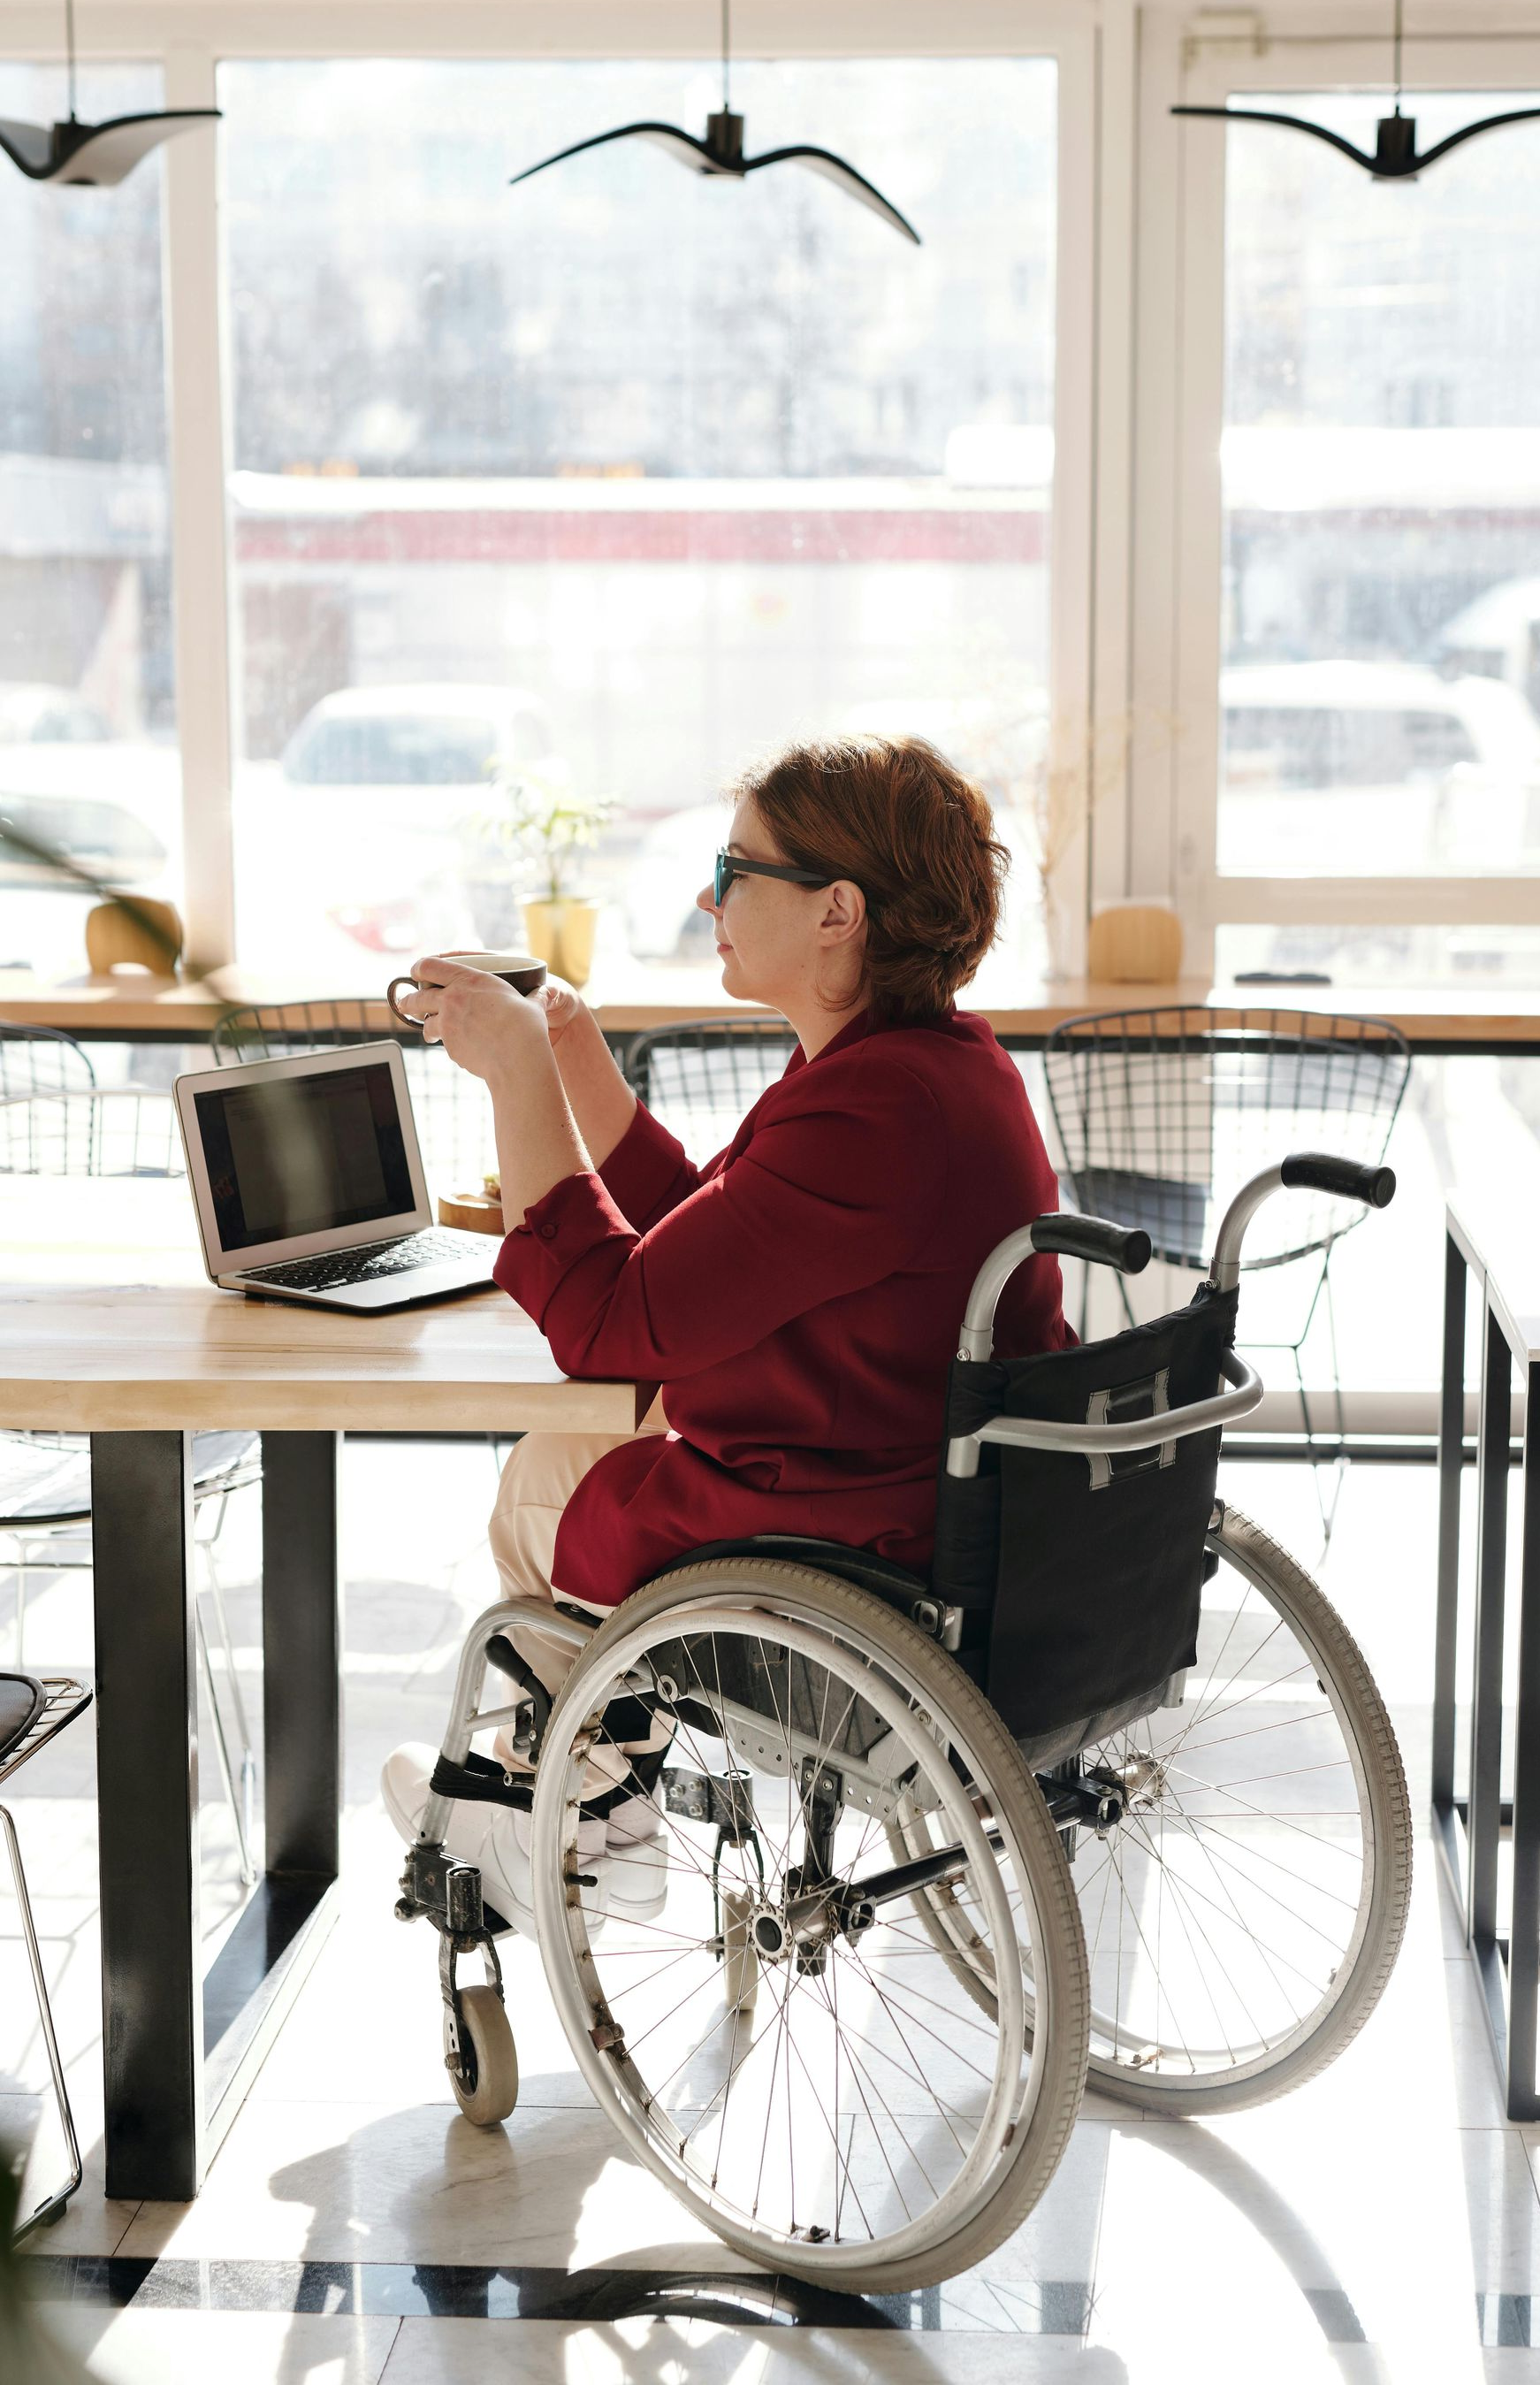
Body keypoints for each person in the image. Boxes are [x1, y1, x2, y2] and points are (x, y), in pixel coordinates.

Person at [381, 731, 1072, 1931]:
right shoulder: (928, 1069)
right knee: (563, 1461)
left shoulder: (873, 1109)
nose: (709, 899)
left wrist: (517, 1083)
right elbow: (704, 1239)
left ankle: (581, 1820)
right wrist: (573, 1055)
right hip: (925, 1480)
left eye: (734, 870)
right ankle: (602, 1797)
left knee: (542, 1489)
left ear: (836, 911)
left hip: (850, 1524)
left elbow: (611, 1320)